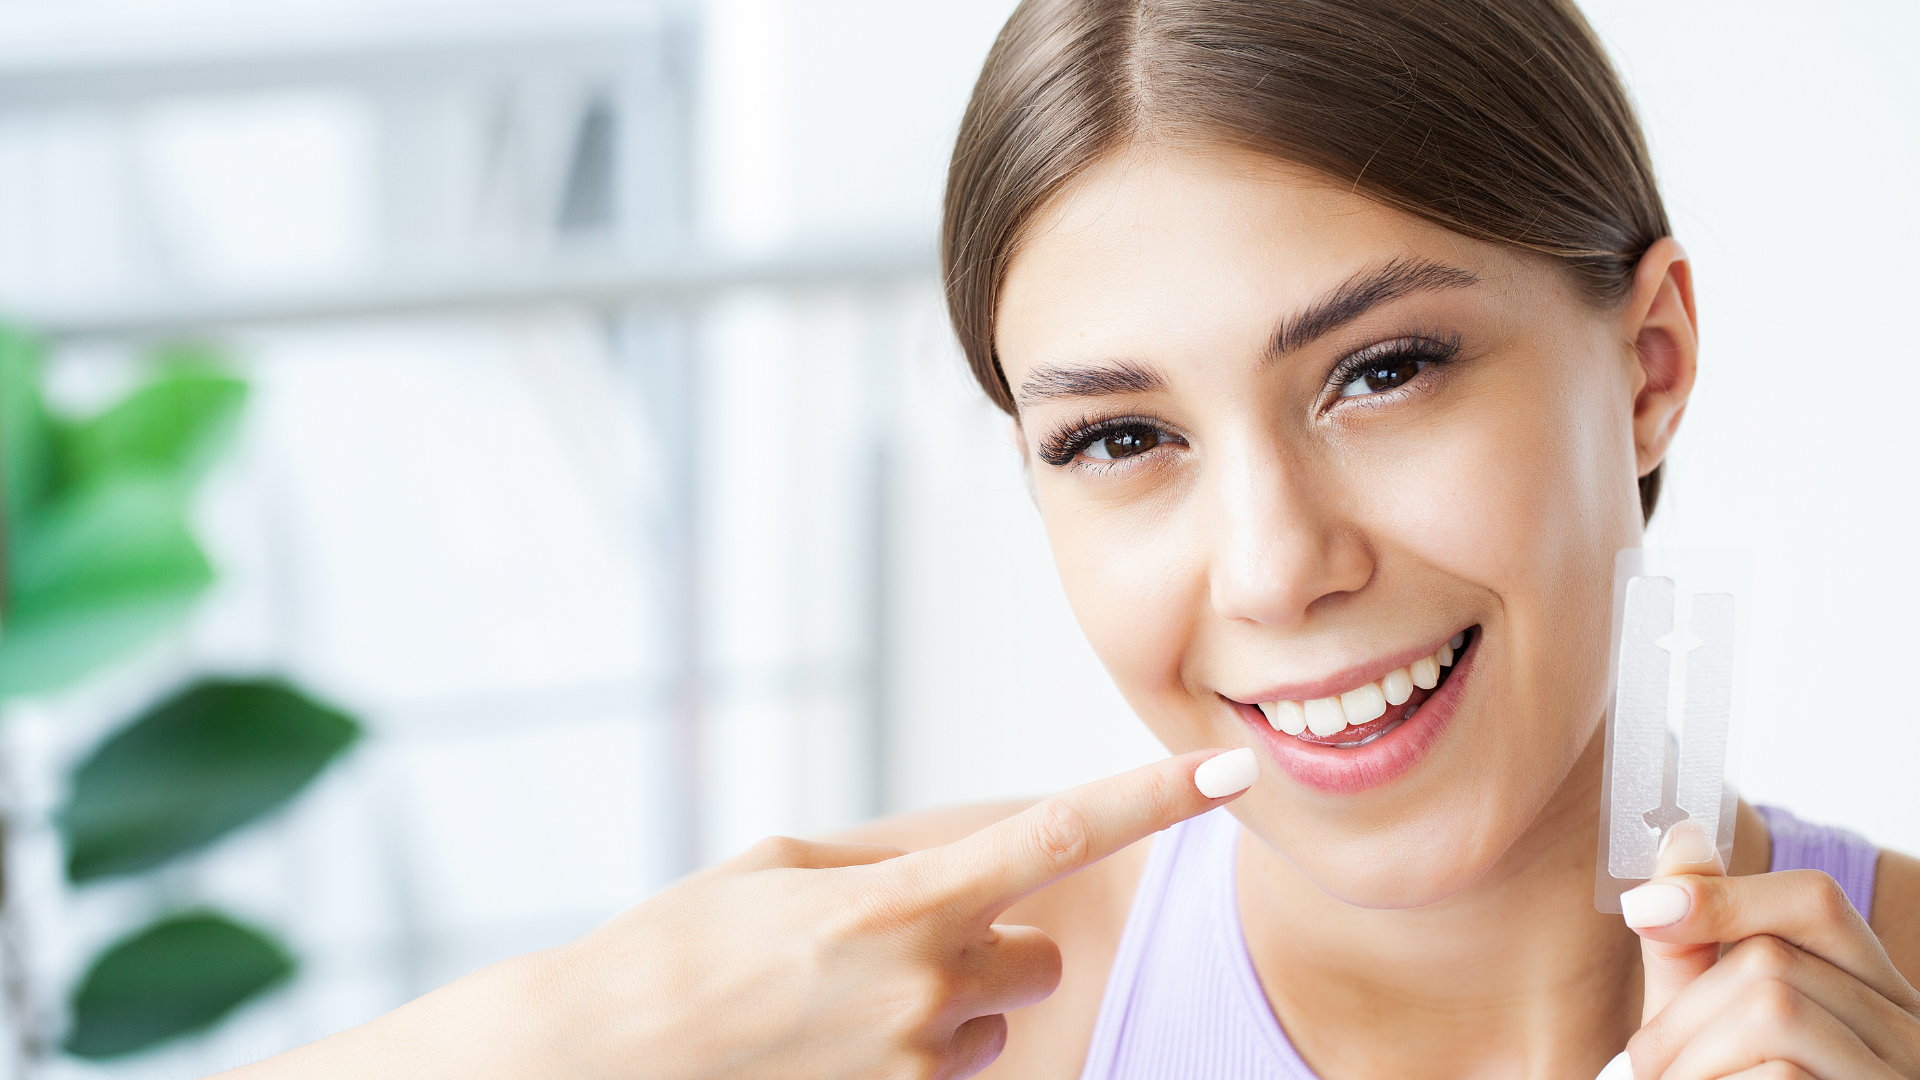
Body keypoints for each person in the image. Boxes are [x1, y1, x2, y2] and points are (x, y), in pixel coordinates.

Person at [223, 0, 1920, 1077]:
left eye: (1381, 372)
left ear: (1649, 366)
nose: (1271, 567)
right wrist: (574, 1038)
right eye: (1124, 438)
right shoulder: (919, 1019)